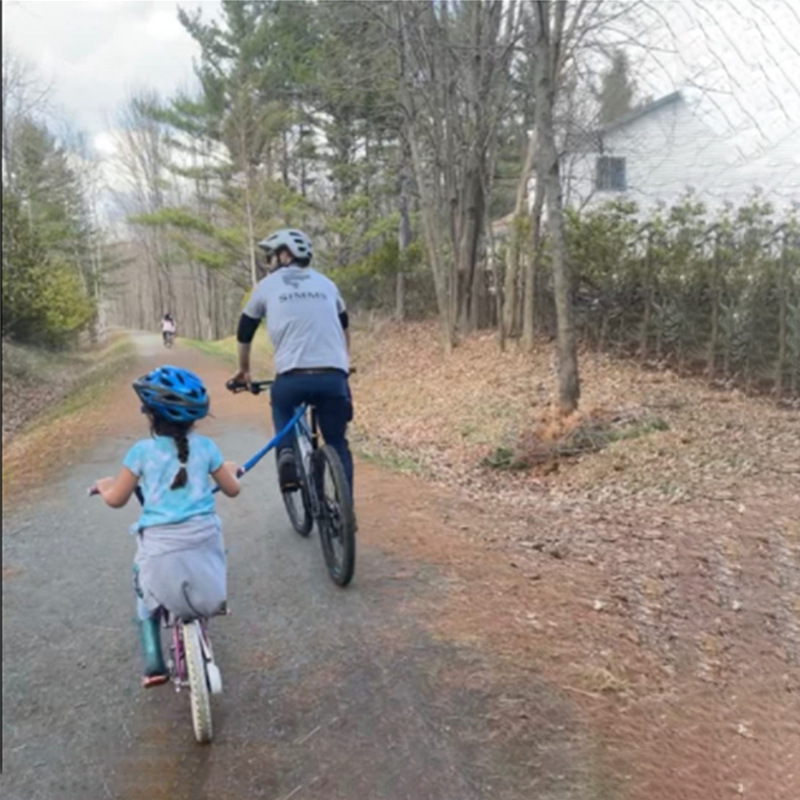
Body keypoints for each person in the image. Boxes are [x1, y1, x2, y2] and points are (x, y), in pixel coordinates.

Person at [91, 365, 240, 687]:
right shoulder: (207, 448)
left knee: (142, 583)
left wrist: (104, 487)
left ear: (150, 416)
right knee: (207, 553)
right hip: (204, 541)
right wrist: (228, 470)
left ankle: (153, 661)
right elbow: (232, 490)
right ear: (196, 417)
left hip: (161, 548)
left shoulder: (141, 452)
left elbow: (116, 499)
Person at [230, 227, 354, 500]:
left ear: (285, 255)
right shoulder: (327, 284)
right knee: (337, 442)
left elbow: (245, 330)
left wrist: (244, 370)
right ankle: (346, 507)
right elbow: (344, 324)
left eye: (271, 256)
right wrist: (344, 361)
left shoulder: (267, 286)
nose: (269, 262)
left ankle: (286, 453)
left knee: (282, 404)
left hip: (292, 378)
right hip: (333, 376)